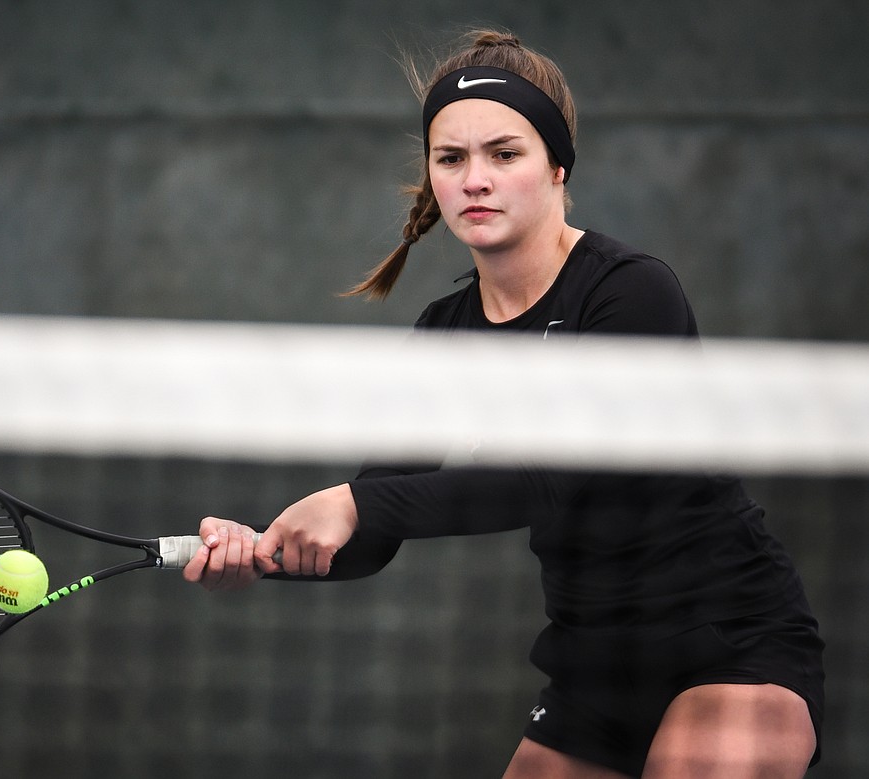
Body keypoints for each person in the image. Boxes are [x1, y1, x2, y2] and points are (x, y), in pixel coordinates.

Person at [182, 28, 824, 779]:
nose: (474, 179)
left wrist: (356, 503)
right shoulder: (445, 337)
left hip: (729, 642)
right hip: (593, 673)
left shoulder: (631, 291)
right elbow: (373, 528)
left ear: (557, 166)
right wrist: (259, 551)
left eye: (504, 153)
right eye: (450, 158)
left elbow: (559, 472)